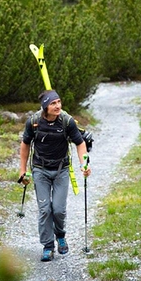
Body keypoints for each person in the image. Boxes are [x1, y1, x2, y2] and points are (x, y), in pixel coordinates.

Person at [19, 90, 91, 262]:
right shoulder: (34, 122)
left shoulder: (67, 121)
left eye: (59, 102)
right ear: (45, 106)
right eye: (53, 103)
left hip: (61, 170)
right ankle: (48, 246)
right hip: (40, 169)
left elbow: (80, 144)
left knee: (58, 210)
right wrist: (22, 170)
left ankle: (60, 235)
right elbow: (25, 145)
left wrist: (84, 165)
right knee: (45, 210)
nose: (58, 106)